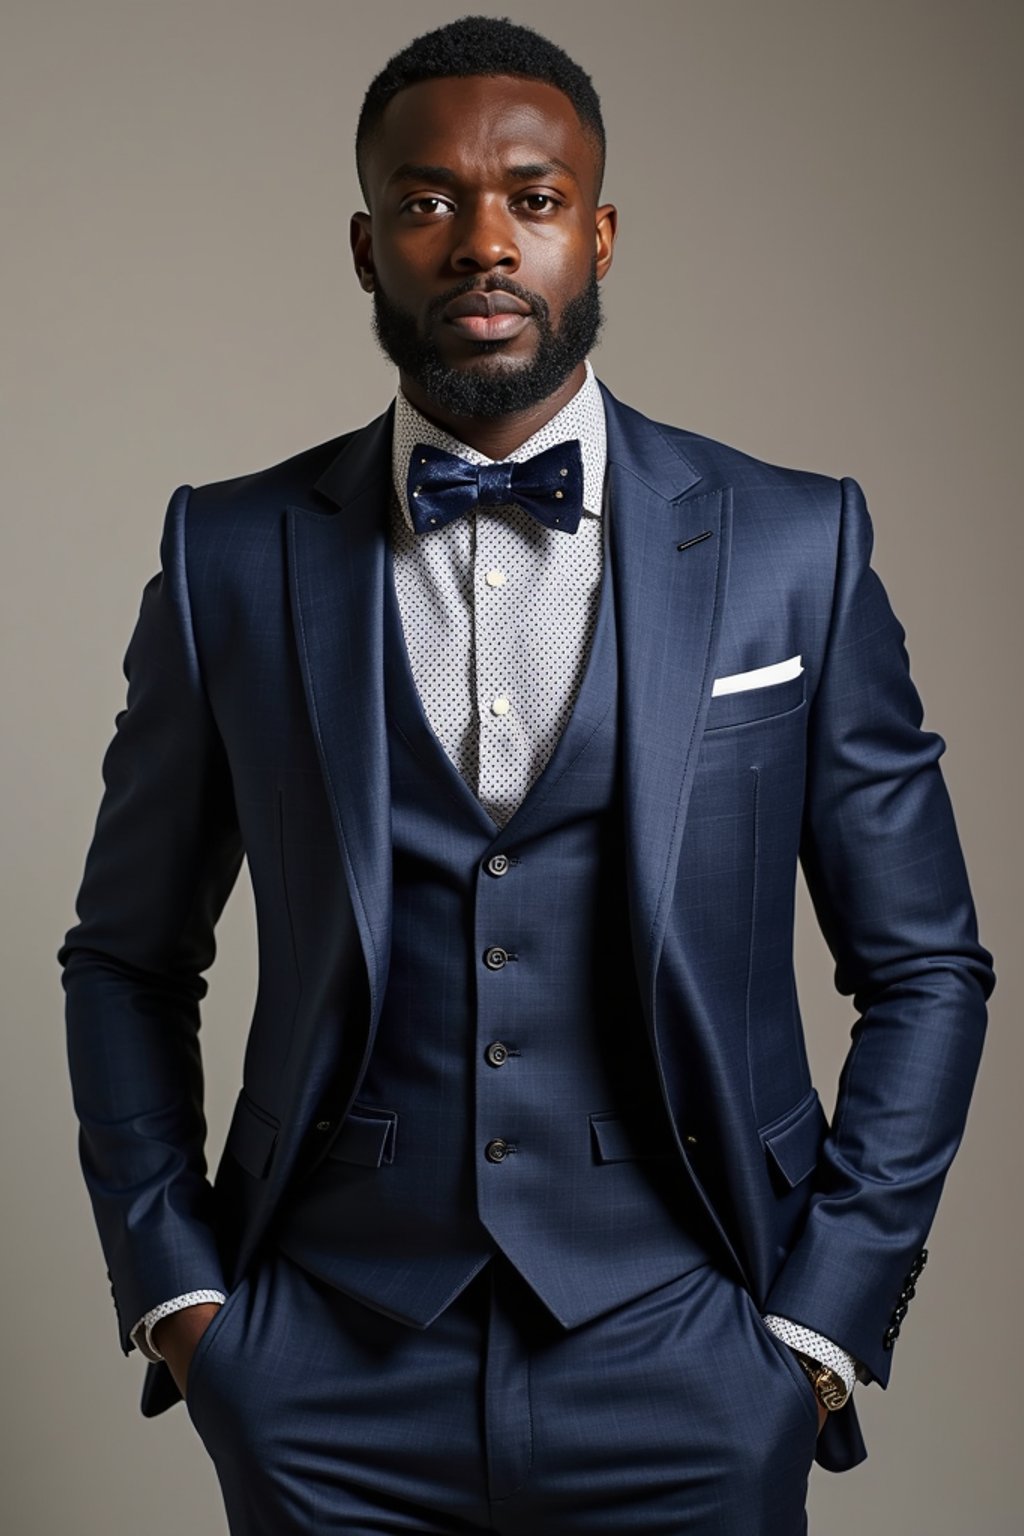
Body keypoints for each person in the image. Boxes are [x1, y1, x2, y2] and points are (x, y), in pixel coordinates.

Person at [59, 15, 994, 1536]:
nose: (483, 241)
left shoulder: (791, 546)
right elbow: (123, 956)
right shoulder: (225, 554)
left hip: (694, 1355)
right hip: (328, 1371)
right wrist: (183, 1300)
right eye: (429, 203)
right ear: (367, 249)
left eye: (535, 199)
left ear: (599, 233)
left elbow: (928, 966)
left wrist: (818, 1331)